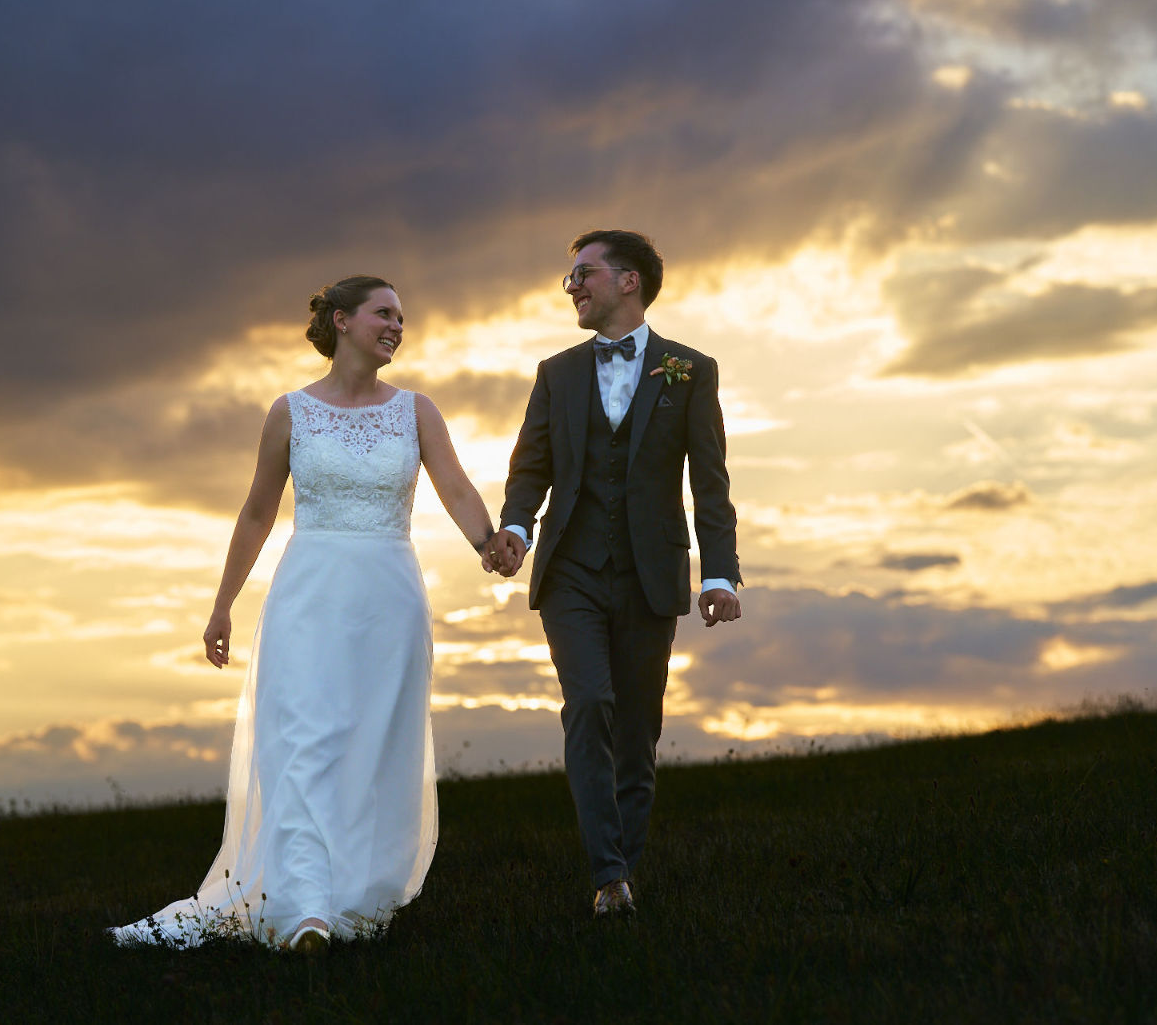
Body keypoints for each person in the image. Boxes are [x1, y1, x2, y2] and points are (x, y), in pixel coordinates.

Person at [110, 276, 500, 952]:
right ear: (342, 321)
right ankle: (306, 911)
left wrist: (490, 544)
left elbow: (457, 487)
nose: (397, 325)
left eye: (402, 317)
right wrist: (222, 605)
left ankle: (353, 897)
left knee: (373, 748)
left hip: (389, 599)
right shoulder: (290, 412)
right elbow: (259, 510)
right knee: (302, 747)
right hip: (308, 597)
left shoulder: (418, 412)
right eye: (385, 313)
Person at [482, 229, 743, 918]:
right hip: (569, 568)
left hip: (650, 575)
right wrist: (513, 528)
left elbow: (711, 487)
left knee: (636, 731)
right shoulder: (555, 373)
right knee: (590, 702)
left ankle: (622, 870)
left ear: (629, 281)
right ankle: (607, 877)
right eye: (569, 276)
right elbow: (530, 468)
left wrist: (720, 575)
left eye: (583, 273)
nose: (571, 285)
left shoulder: (690, 370)